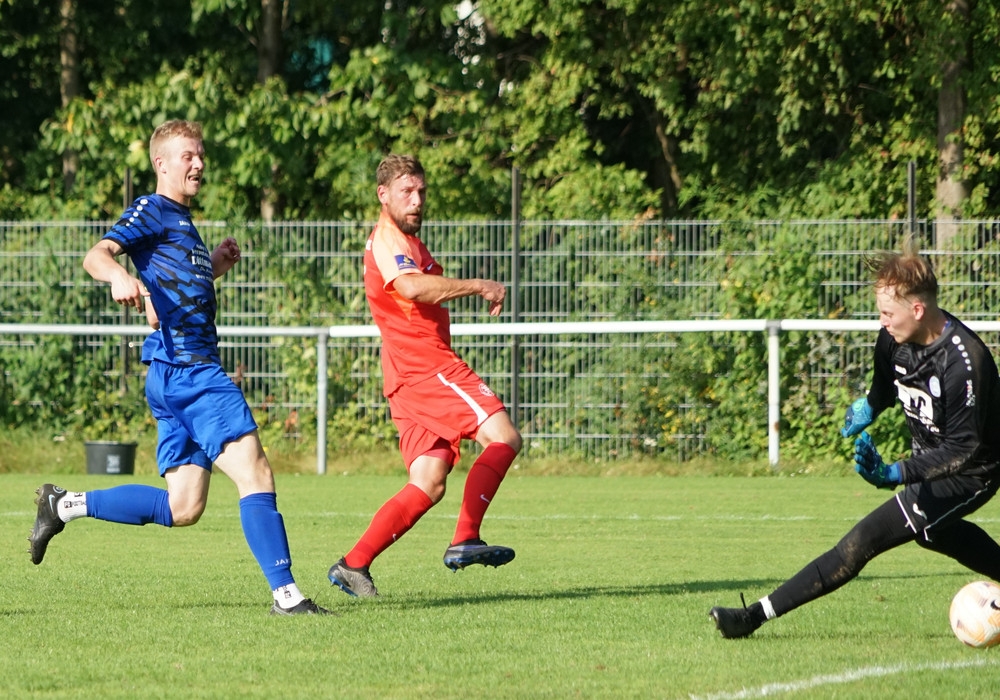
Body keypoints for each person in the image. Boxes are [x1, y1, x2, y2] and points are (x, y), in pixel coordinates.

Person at [28, 119, 330, 616]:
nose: (199, 163)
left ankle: (64, 505)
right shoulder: (152, 208)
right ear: (161, 163)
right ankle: (287, 596)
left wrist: (214, 266)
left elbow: (167, 296)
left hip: (172, 372)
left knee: (183, 506)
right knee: (255, 472)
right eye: (188, 155)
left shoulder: (181, 222)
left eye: (201, 155)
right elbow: (96, 255)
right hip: (191, 371)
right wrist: (117, 276)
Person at [710, 235, 1000, 638]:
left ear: (917, 309)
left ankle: (751, 618)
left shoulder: (966, 362)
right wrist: (869, 408)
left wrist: (895, 473)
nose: (882, 321)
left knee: (864, 539)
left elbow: (962, 449)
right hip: (933, 462)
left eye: (887, 312)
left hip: (972, 472)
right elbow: (885, 389)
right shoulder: (893, 339)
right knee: (933, 533)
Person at [327, 154, 522, 597]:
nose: (416, 201)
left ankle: (353, 564)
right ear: (383, 195)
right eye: (406, 192)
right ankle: (466, 537)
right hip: (427, 367)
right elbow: (411, 287)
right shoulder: (387, 239)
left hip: (405, 374)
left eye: (421, 192)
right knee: (505, 437)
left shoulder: (407, 241)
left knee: (428, 482)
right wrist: (479, 285)